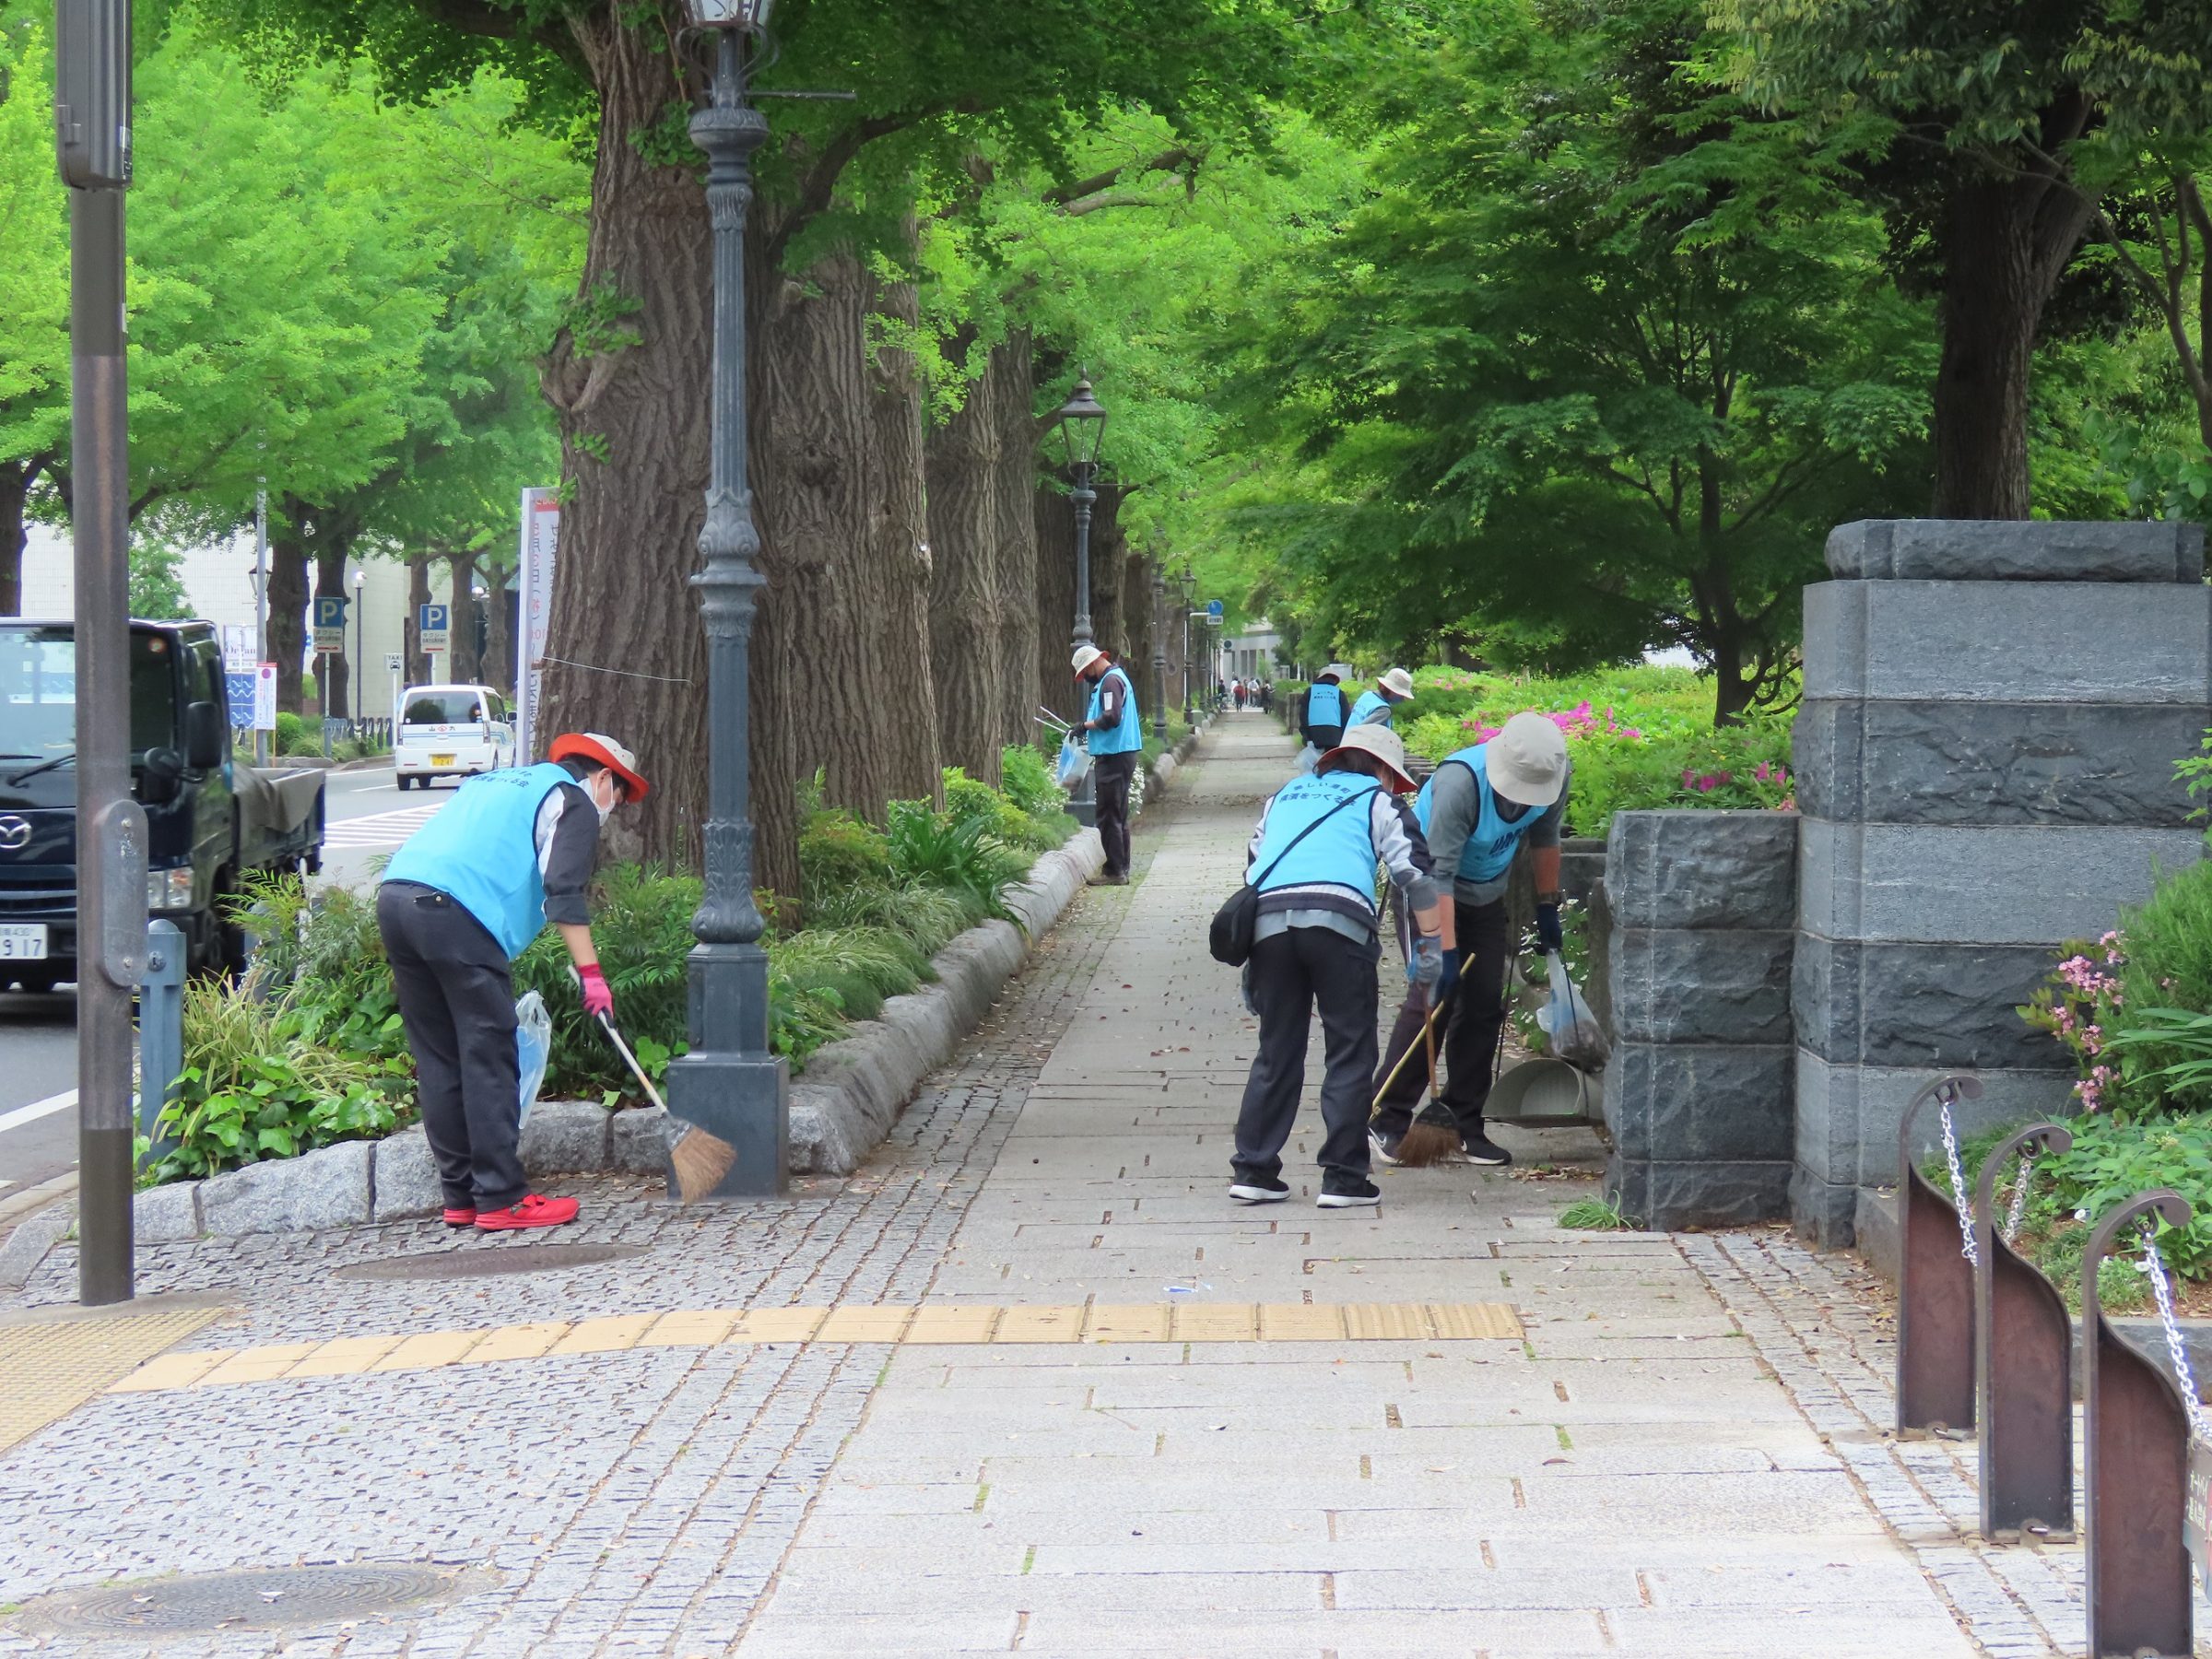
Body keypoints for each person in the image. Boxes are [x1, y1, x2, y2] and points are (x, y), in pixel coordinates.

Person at [377, 732, 650, 1230]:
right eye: (621, 797)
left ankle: (460, 1197)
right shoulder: (576, 800)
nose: (616, 809)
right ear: (604, 777)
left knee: (440, 1058)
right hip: (456, 913)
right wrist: (593, 976)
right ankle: (501, 1197)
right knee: (489, 1054)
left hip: (398, 897)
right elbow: (562, 890)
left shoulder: (502, 782)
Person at [1231, 724, 1443, 1209]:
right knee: (1349, 1049)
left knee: (1276, 1049)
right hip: (1340, 926)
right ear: (1385, 771)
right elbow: (1416, 875)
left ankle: (1254, 1169)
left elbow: (1253, 870)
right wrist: (1430, 946)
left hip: (1268, 929)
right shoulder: (1379, 800)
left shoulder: (1284, 796)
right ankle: (1345, 1177)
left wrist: (1253, 963)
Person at [1369, 712, 1570, 1169]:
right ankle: (1387, 1117)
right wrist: (1445, 949)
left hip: (1485, 894)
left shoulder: (1553, 774)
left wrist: (1546, 905)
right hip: (1426, 890)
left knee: (1482, 1004)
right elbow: (1436, 874)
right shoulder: (1460, 783)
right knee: (1435, 999)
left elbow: (1545, 837)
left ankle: (1463, 1122)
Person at [1074, 644, 1143, 886]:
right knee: (1118, 814)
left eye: (1085, 674)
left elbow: (1111, 718)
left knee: (1108, 814)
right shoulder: (1116, 677)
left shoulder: (1110, 682)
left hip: (1114, 755)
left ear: (1092, 664)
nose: (1086, 680)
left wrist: (1085, 725)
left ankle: (1115, 870)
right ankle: (1120, 867)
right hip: (1122, 753)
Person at [1301, 664, 1351, 754]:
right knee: (1331, 761)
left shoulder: (1310, 691)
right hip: (1334, 733)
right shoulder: (1339, 693)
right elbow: (1345, 717)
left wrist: (1305, 735)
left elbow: (1303, 714)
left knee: (1313, 761)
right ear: (1335, 680)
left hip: (1314, 732)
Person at [1347, 667, 1416, 730]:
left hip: (1346, 740)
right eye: (1401, 694)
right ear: (1390, 689)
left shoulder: (1367, 695)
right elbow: (1362, 733)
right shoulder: (1383, 710)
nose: (1403, 698)